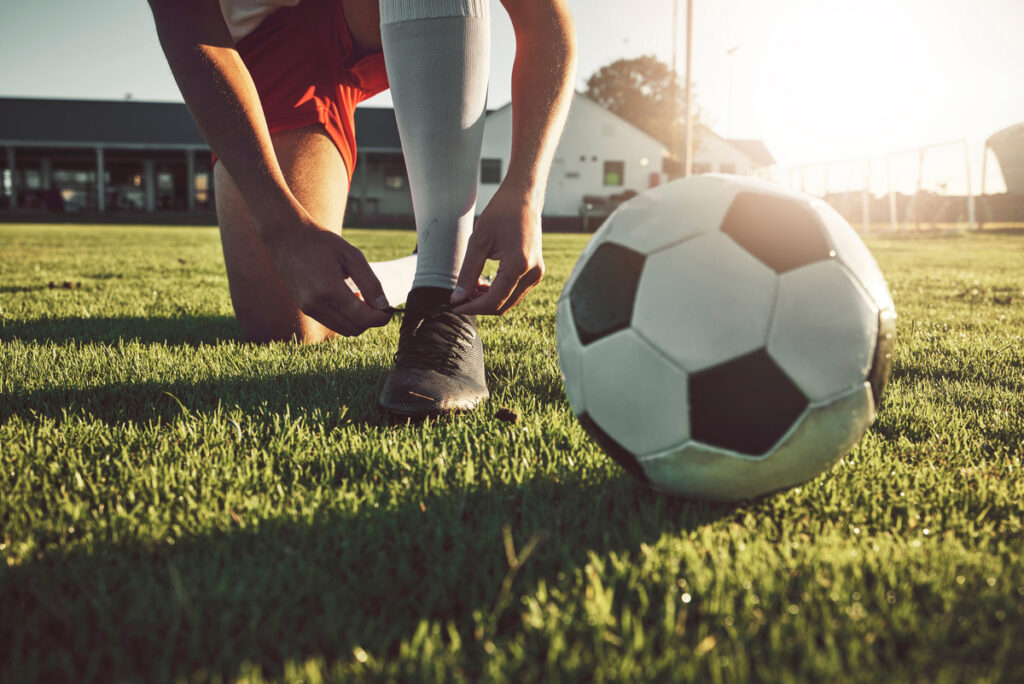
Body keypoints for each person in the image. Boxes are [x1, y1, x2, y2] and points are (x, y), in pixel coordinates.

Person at [147, 0, 576, 416]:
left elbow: (541, 11)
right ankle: (413, 267)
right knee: (289, 326)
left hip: (366, 13)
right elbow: (187, 20)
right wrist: (282, 228)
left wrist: (526, 189)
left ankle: (439, 287)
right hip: (260, 43)